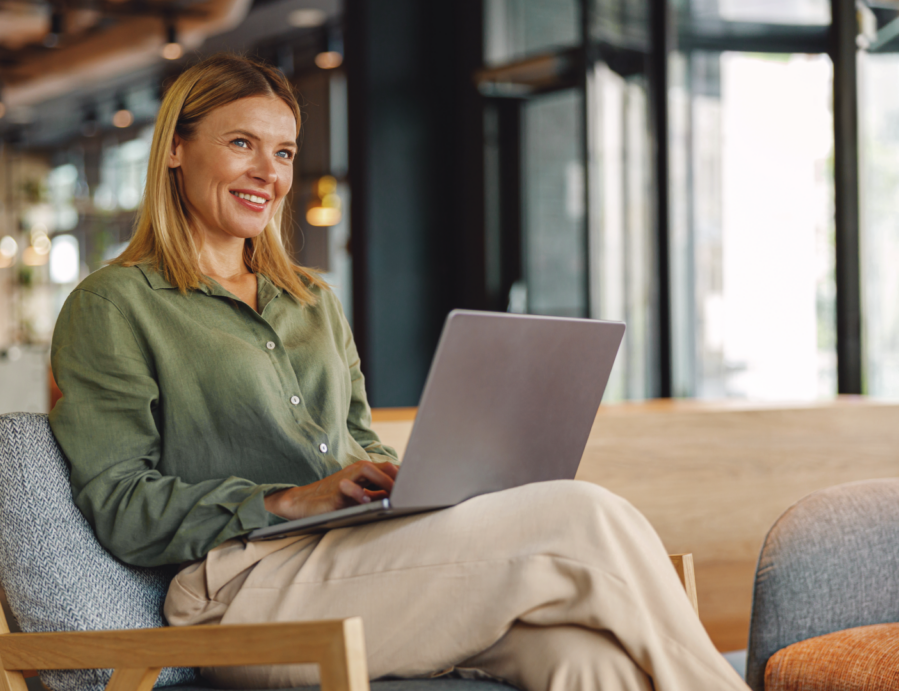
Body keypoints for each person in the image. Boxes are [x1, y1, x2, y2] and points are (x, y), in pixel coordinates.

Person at [48, 54, 748, 691]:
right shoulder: (115, 305)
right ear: (175, 149)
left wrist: (406, 485)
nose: (270, 172)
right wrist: (288, 500)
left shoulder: (310, 301)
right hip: (244, 597)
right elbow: (118, 504)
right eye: (242, 144)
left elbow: (358, 441)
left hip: (360, 560)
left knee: (587, 660)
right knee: (583, 514)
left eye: (284, 151)